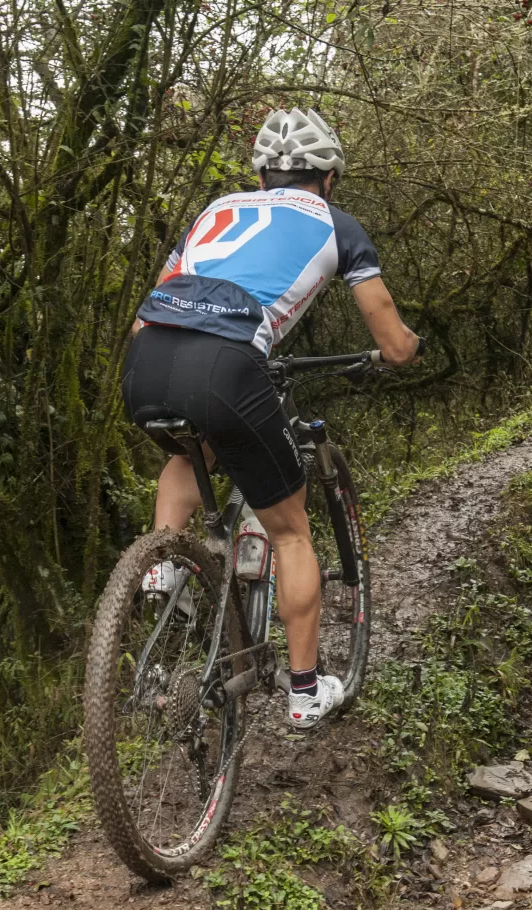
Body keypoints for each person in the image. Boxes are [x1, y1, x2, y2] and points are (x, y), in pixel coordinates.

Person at [120, 108, 422, 728]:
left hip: (146, 359)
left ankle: (164, 570)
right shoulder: (339, 227)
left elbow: (155, 300)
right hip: (227, 367)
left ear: (261, 177)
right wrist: (408, 348)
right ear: (328, 179)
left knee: (189, 453)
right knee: (289, 531)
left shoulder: (213, 211)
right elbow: (391, 342)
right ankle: (306, 693)